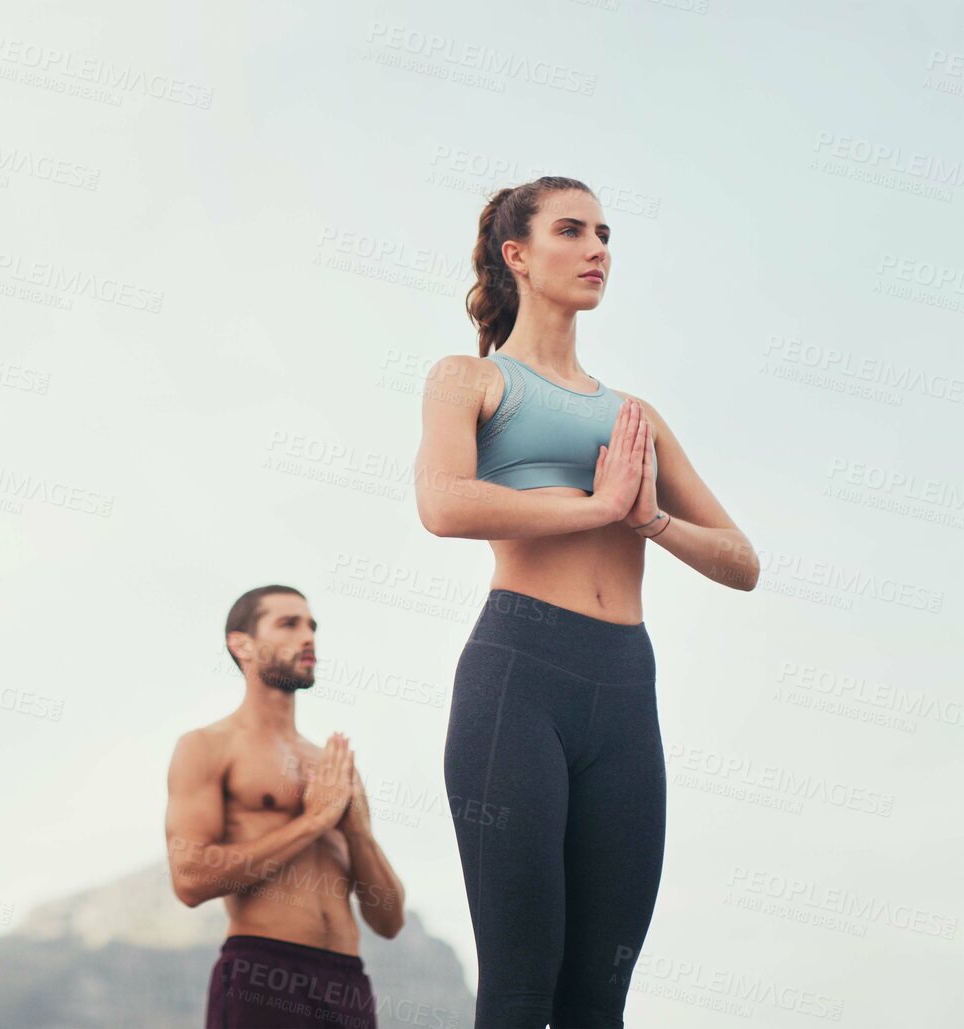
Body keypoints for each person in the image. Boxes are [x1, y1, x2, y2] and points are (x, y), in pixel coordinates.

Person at [413, 176, 760, 1027]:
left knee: (597, 1003)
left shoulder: (635, 415)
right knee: (517, 989)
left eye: (604, 234)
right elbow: (442, 504)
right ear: (516, 254)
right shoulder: (468, 379)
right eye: (571, 230)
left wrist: (649, 520)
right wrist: (595, 507)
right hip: (518, 679)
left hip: (624, 692)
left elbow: (740, 561)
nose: (597, 248)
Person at [166, 585, 406, 1029]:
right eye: (288, 624)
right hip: (262, 973)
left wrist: (357, 832)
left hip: (346, 983)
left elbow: (389, 921)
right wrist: (314, 821)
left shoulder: (332, 766)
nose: (308, 636)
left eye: (312, 626)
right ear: (242, 645)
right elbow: (190, 880)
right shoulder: (207, 746)